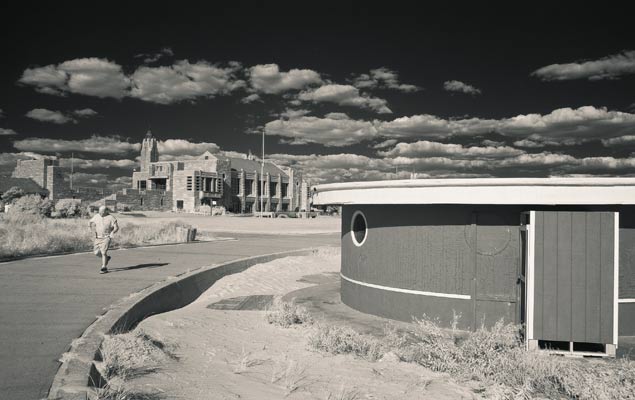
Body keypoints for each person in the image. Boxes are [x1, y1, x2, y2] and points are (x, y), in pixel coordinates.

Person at [89, 205, 119, 274]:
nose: (100, 213)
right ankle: (107, 258)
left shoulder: (111, 218)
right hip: (97, 237)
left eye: (102, 212)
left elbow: (116, 227)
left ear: (106, 211)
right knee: (96, 252)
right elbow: (90, 223)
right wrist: (92, 231)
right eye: (99, 211)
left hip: (106, 237)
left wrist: (112, 232)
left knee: (103, 252)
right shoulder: (96, 216)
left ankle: (104, 267)